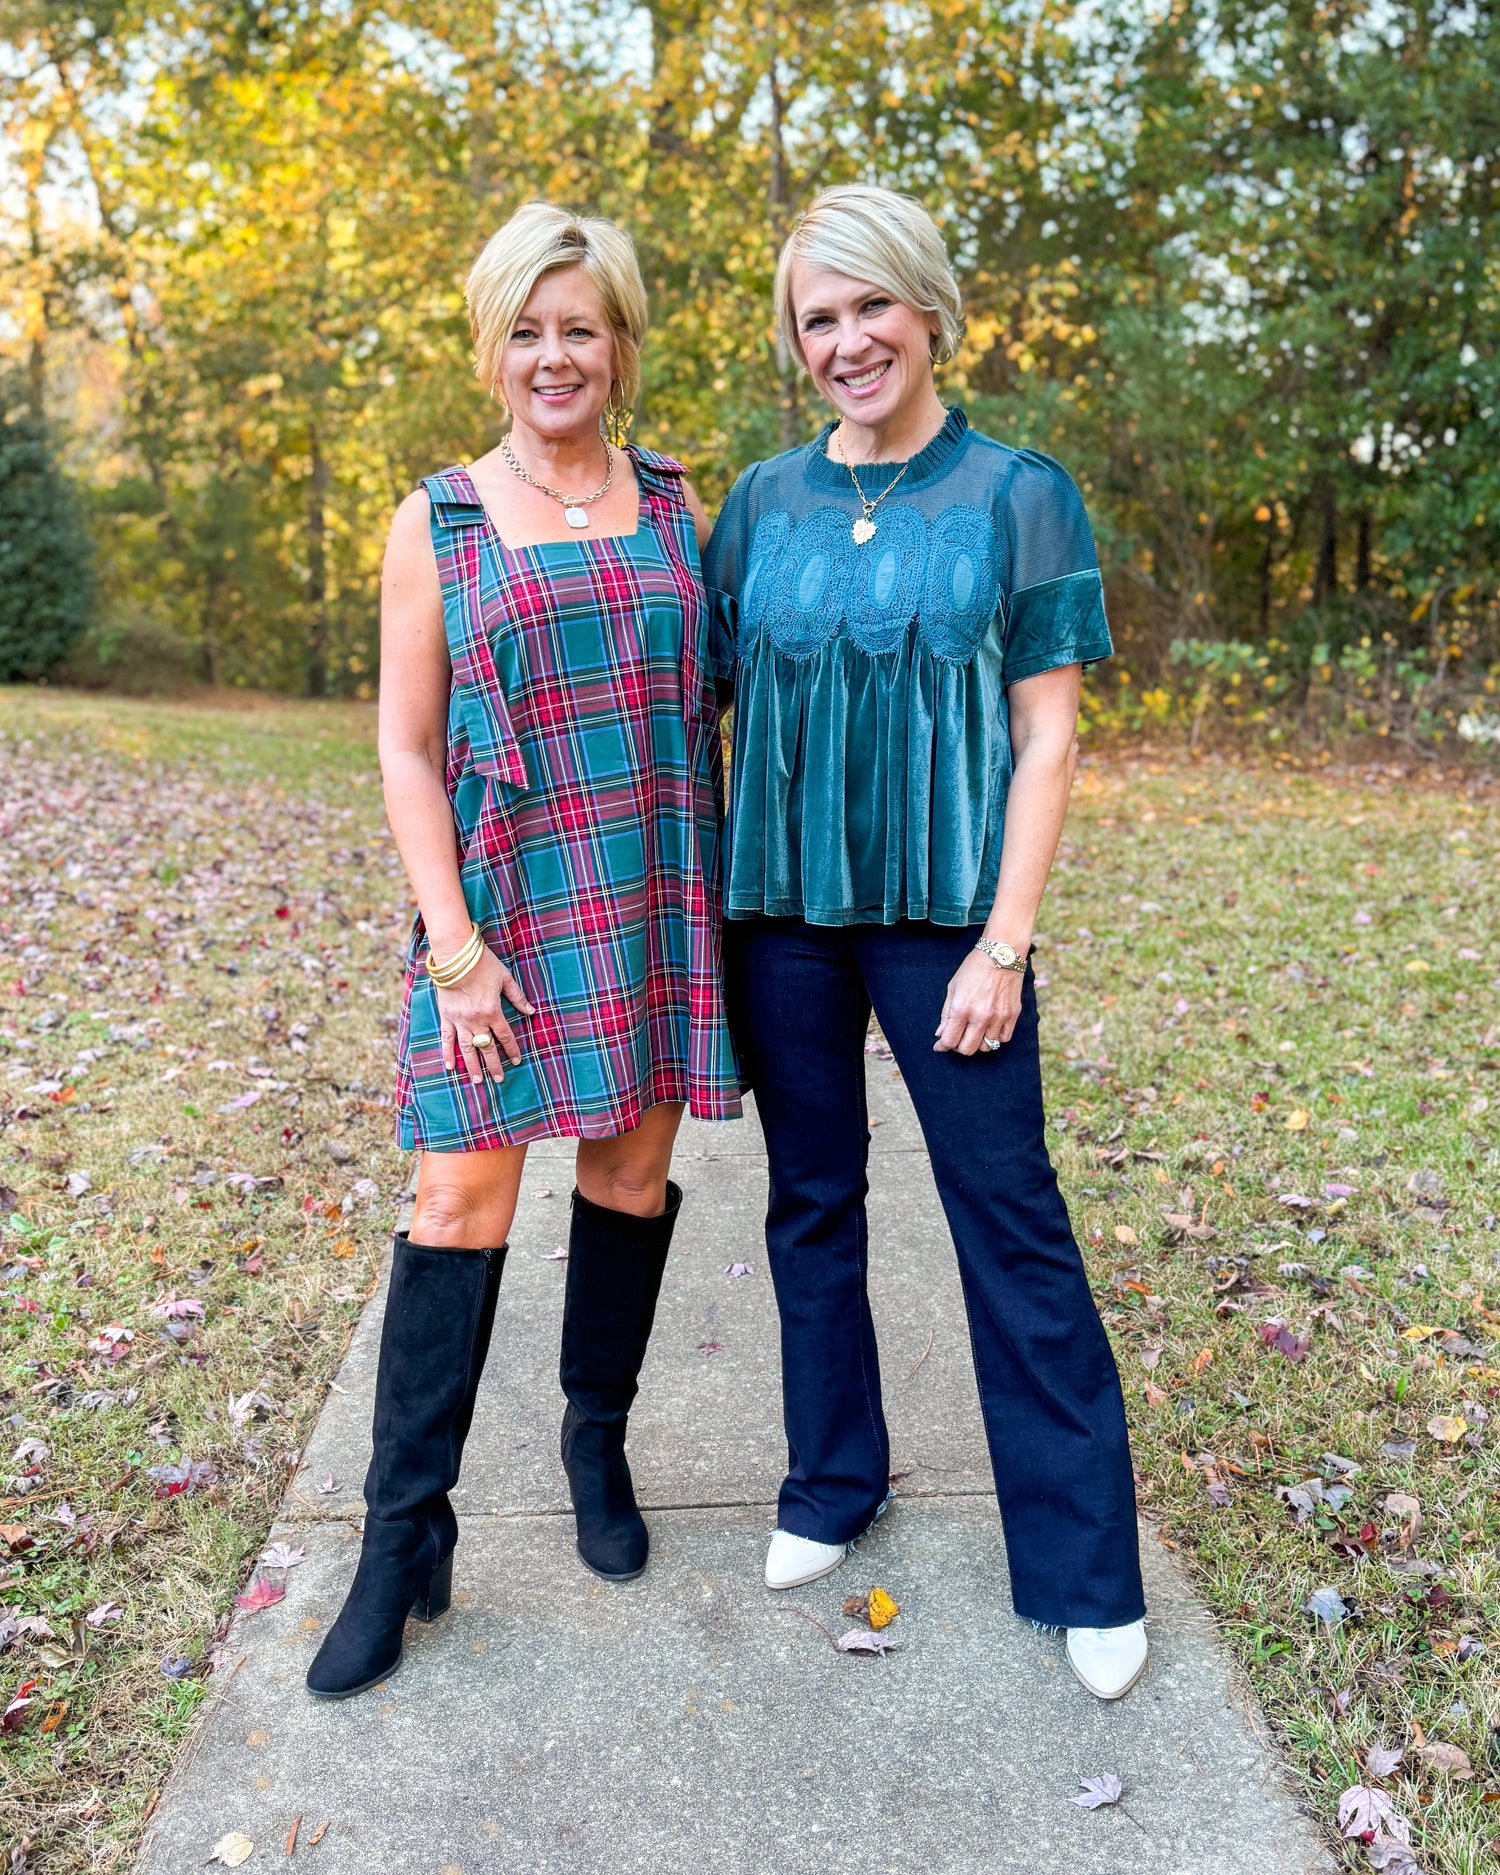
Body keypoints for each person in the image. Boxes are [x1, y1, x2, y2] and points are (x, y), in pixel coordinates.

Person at [702, 185, 1148, 1701]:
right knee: (811, 1203)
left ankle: (1086, 1570)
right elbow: (689, 706)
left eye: (869, 307)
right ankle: (833, 1484)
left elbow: (1050, 737)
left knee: (1007, 1214)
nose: (845, 341)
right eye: (816, 320)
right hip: (782, 926)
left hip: (953, 926)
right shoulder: (759, 505)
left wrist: (1005, 945)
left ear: (930, 309)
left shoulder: (1020, 493)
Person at [307, 203, 740, 1701]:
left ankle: (594, 1444)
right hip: (501, 914)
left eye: (582, 327)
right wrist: (452, 947)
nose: (554, 355)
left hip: (652, 895)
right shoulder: (437, 521)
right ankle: (399, 1539)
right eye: (526, 328)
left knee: (625, 1177)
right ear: (491, 345)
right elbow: (407, 746)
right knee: (459, 1199)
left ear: (620, 345)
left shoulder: (684, 502)